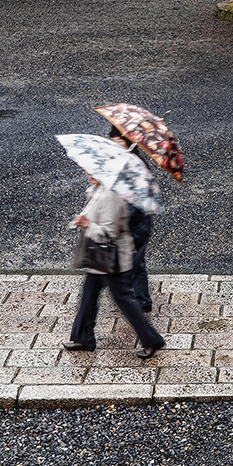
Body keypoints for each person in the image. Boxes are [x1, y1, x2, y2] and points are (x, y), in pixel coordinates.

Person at [65, 176, 166, 358]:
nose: (87, 173)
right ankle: (83, 337)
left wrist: (87, 224)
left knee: (125, 300)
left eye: (92, 171)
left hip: (112, 259)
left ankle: (152, 340)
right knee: (89, 295)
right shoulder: (97, 190)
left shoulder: (111, 195)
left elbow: (110, 233)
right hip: (99, 257)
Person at [108, 124, 158, 313]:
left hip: (135, 223)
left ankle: (143, 301)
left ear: (128, 142)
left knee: (135, 262)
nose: (114, 143)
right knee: (130, 260)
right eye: (113, 140)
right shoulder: (121, 162)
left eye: (118, 140)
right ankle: (132, 296)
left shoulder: (135, 166)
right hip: (128, 221)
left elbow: (134, 202)